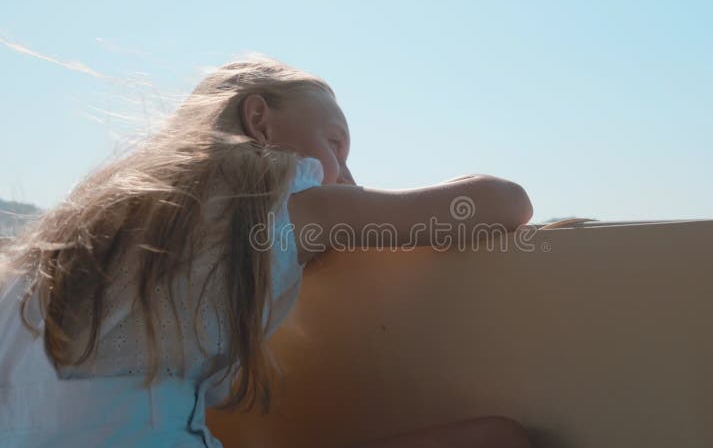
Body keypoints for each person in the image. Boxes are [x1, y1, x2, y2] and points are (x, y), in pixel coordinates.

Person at [0, 54, 533, 447]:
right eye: (336, 145)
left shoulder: (73, 241)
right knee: (499, 437)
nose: (347, 177)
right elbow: (505, 203)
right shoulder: (290, 204)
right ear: (259, 121)